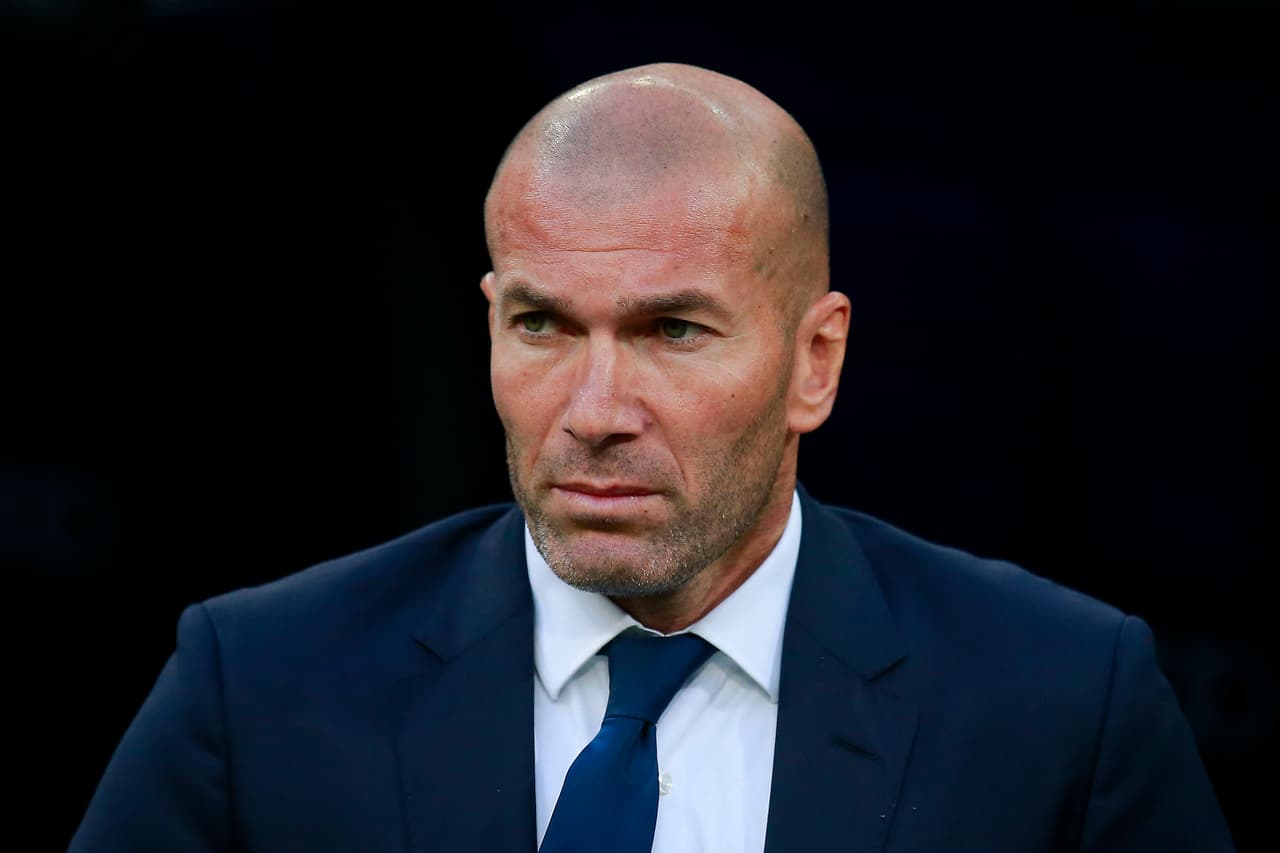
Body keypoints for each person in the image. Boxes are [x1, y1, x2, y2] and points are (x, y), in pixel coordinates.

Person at [69, 62, 1234, 852]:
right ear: (488, 322)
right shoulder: (262, 683)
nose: (592, 408)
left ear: (812, 361)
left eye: (671, 331)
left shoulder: (1058, 705)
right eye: (541, 324)